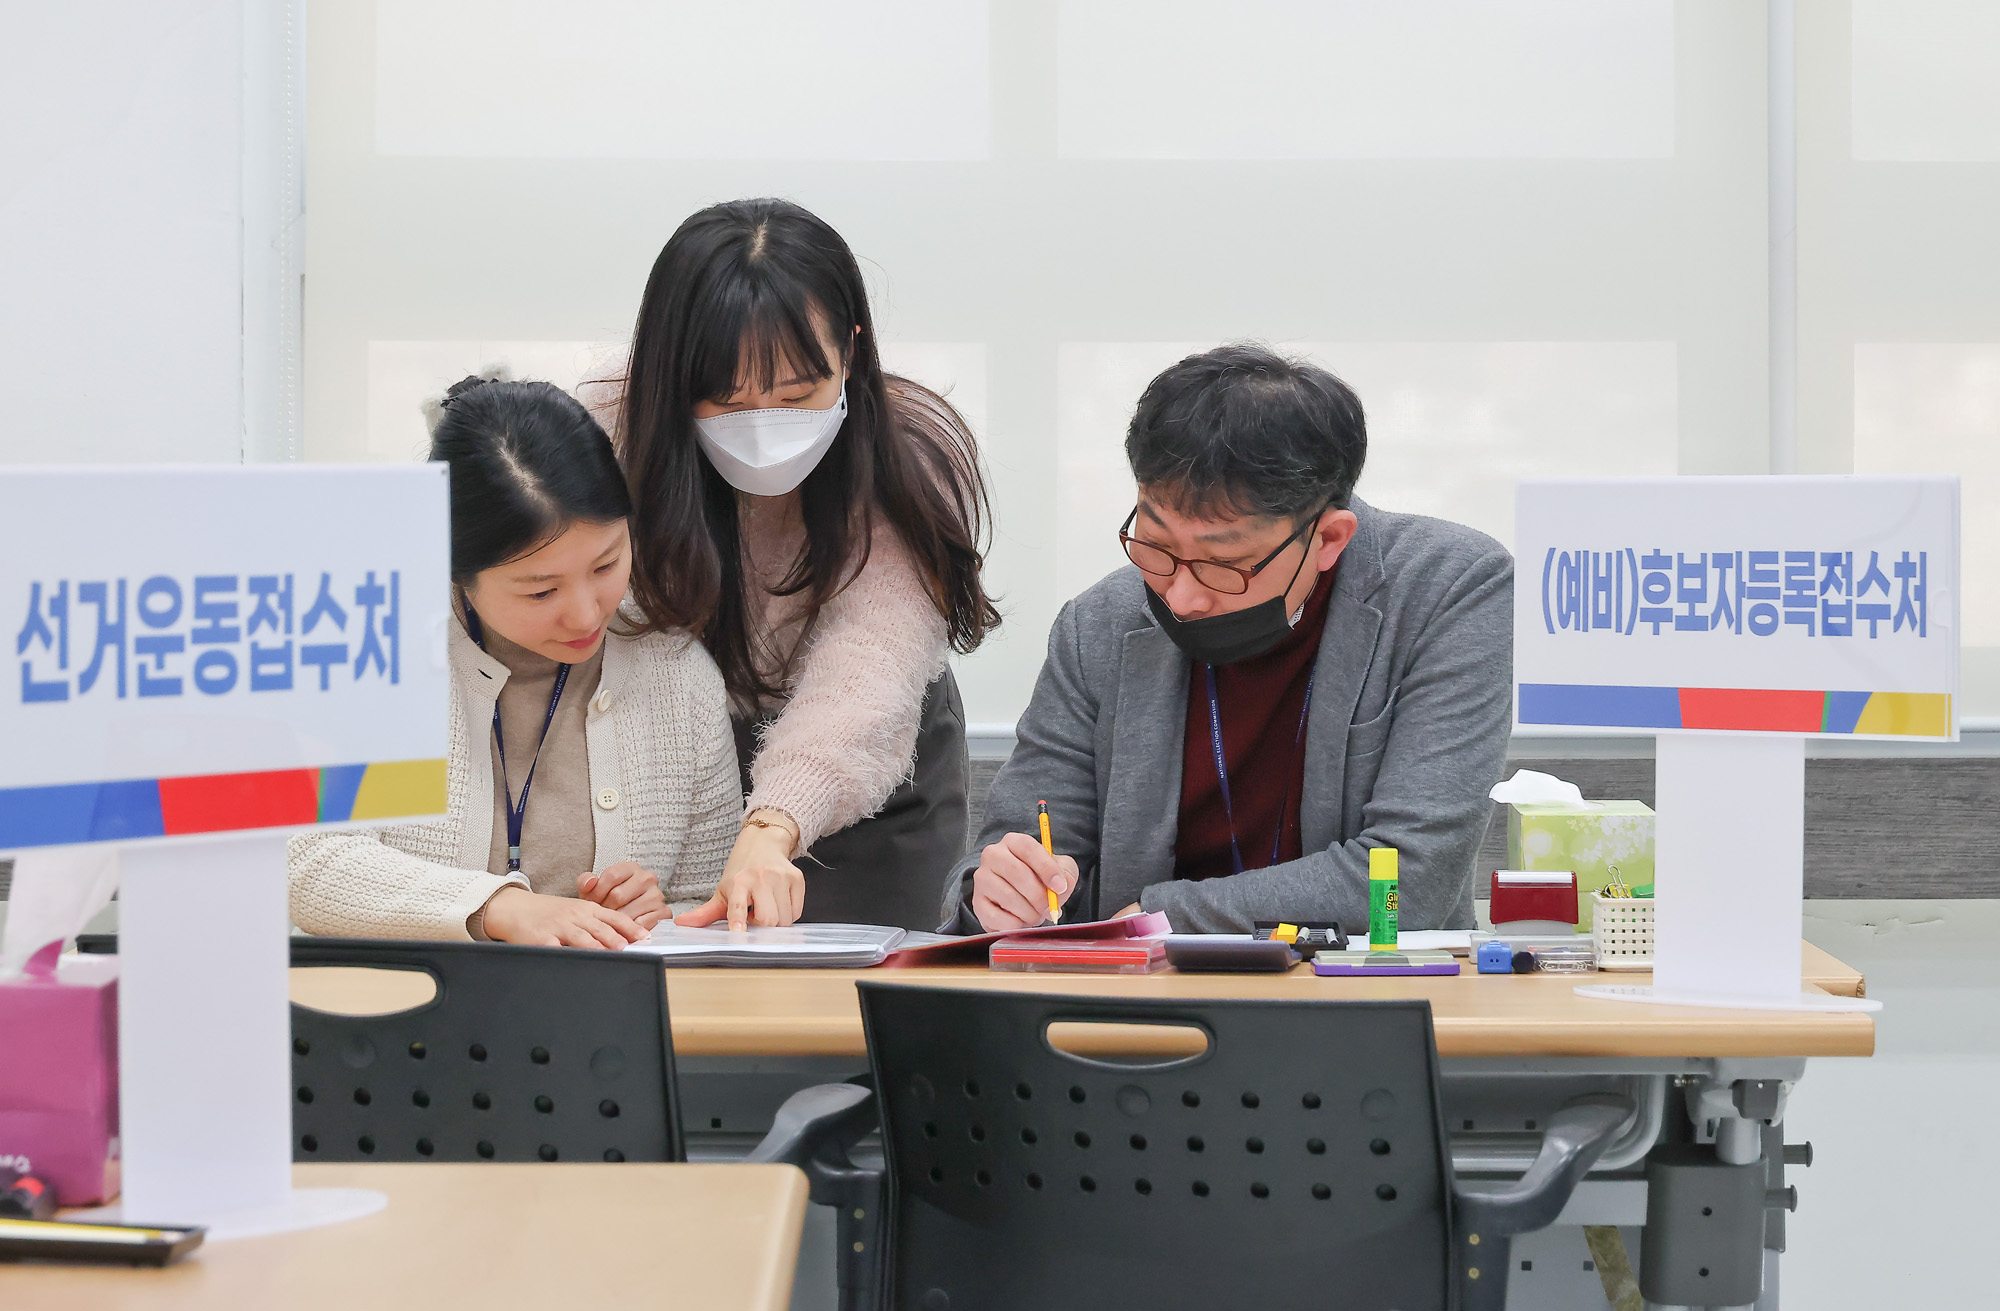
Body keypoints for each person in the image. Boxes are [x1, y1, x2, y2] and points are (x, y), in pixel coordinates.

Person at [944, 344, 1512, 934]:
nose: (1182, 598)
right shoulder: (1100, 626)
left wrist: (1168, 916)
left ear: (1329, 539)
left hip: (1361, 1003)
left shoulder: (1448, 590)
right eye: (1156, 546)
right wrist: (995, 895)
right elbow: (1020, 857)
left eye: (1223, 564)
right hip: (1135, 1011)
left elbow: (1408, 879)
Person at [582, 198, 1001, 932]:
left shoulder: (906, 460)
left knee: (860, 995)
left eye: (798, 394)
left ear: (851, 348)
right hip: (680, 753)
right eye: (727, 400)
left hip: (872, 763)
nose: (765, 425)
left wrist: (772, 825)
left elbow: (867, 668)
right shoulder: (607, 434)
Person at [289, 376, 740, 947]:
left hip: (601, 1026)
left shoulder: (674, 673)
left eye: (606, 565)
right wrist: (496, 907)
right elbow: (306, 862)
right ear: (456, 571)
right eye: (540, 591)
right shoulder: (371, 655)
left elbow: (712, 905)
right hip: (409, 1022)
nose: (584, 615)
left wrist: (659, 911)